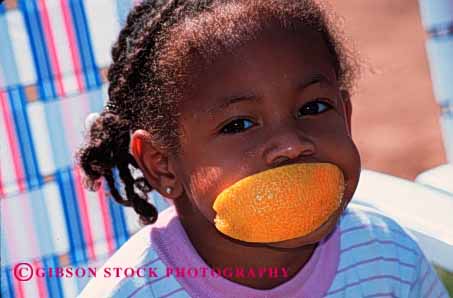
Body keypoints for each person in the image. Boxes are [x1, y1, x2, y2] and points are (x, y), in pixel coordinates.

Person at [76, 0, 449, 297]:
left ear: (346, 116)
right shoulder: (130, 290)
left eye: (314, 107)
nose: (291, 144)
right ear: (163, 166)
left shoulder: (389, 258)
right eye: (239, 125)